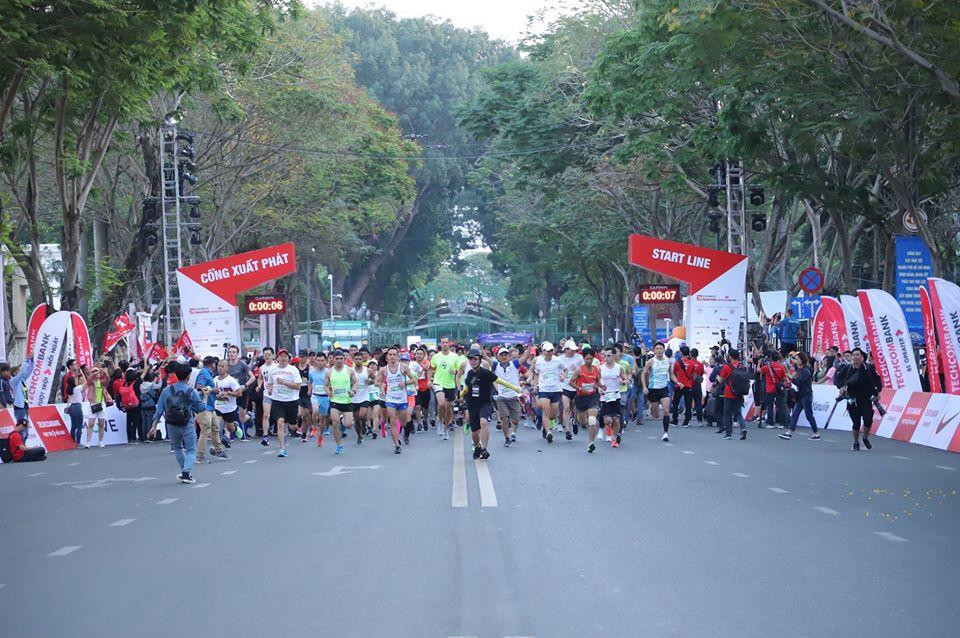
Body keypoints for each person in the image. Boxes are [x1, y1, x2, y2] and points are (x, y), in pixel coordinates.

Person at [460, 348, 522, 460]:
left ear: (479, 360)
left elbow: (501, 381)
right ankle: (478, 446)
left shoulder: (485, 372)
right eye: (471, 359)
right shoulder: (469, 374)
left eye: (475, 359)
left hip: (485, 403)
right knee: (474, 432)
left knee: (483, 422)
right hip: (472, 404)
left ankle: (484, 448)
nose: (473, 361)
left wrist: (515, 388)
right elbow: (467, 388)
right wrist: (460, 395)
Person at [152, 362, 207, 483]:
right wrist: (206, 397)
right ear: (188, 376)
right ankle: (186, 472)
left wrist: (154, 424)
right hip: (187, 423)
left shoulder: (167, 390)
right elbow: (201, 408)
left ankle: (185, 472)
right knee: (191, 449)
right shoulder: (192, 391)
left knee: (177, 448)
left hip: (171, 424)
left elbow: (160, 408)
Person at [835, 348, 883, 451]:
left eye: (858, 355)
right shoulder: (847, 368)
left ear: (862, 357)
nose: (855, 357)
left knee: (868, 419)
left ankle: (865, 438)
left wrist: (879, 391)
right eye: (854, 355)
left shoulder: (869, 367)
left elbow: (877, 380)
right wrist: (841, 387)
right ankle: (856, 442)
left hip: (866, 399)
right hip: (852, 400)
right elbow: (837, 379)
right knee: (856, 423)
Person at [265, 349, 300, 458]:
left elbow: (298, 386)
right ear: (277, 358)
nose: (283, 358)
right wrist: (270, 389)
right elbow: (269, 383)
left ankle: (294, 429)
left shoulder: (293, 370)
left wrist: (284, 382)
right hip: (278, 401)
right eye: (281, 356)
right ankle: (282, 449)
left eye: (285, 356)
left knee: (293, 426)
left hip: (291, 401)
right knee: (280, 422)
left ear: (288, 358)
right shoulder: (273, 370)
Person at [779, 352, 820, 441]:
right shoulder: (800, 369)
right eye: (796, 359)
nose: (796, 361)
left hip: (806, 396)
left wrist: (790, 377)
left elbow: (798, 382)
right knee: (795, 414)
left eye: (798, 359)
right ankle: (789, 433)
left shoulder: (806, 371)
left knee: (809, 415)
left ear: (802, 360)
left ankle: (816, 433)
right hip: (801, 396)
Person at [529, 341, 565, 443]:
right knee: (546, 410)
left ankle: (545, 426)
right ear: (543, 351)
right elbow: (536, 374)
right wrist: (535, 386)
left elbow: (565, 369)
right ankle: (548, 432)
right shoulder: (539, 361)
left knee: (553, 414)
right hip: (544, 389)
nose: (550, 353)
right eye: (547, 351)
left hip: (556, 389)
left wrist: (563, 376)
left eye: (551, 351)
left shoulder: (558, 360)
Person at [641, 342, 677, 442]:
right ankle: (653, 410)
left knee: (666, 411)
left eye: (661, 348)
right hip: (653, 390)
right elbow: (643, 374)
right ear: (655, 350)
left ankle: (665, 433)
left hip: (664, 388)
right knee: (656, 416)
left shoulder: (668, 362)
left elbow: (671, 374)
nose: (659, 350)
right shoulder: (651, 361)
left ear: (664, 350)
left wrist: (677, 381)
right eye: (657, 349)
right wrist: (644, 387)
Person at [324, 349, 357, 455]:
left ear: (344, 359)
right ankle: (339, 445)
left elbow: (356, 381)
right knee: (335, 423)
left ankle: (343, 419)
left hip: (347, 401)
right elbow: (325, 385)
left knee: (348, 425)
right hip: (335, 401)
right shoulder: (329, 372)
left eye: (341, 359)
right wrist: (328, 392)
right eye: (337, 358)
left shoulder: (349, 370)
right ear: (333, 359)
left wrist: (353, 390)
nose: (339, 360)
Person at [195, 356, 227, 463]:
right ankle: (200, 455)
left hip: (210, 406)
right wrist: (214, 390)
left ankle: (218, 450)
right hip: (204, 407)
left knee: (215, 428)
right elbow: (199, 387)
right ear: (213, 364)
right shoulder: (204, 373)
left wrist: (217, 395)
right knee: (206, 431)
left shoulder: (207, 374)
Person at [569, 348, 601, 452]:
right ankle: (574, 421)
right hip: (581, 398)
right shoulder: (579, 370)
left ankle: (591, 443)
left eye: (591, 359)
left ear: (593, 358)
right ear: (583, 359)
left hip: (592, 397)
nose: (589, 361)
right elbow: (571, 382)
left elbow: (597, 381)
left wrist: (601, 387)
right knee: (583, 423)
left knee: (592, 420)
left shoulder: (596, 369)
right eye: (587, 359)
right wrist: (579, 388)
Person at [598, 346, 630, 449]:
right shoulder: (600, 368)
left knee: (616, 420)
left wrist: (623, 381)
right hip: (605, 396)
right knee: (608, 420)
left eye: (608, 355)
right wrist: (599, 388)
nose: (606, 357)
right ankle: (608, 427)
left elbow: (626, 380)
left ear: (614, 356)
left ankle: (614, 439)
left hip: (616, 395)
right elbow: (596, 381)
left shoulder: (618, 367)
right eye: (604, 355)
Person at [492, 347, 524, 446]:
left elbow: (525, 356)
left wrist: (530, 344)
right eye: (501, 355)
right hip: (502, 397)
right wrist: (480, 345)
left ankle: (512, 426)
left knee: (515, 420)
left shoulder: (514, 364)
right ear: (498, 357)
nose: (504, 357)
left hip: (514, 396)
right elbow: (485, 357)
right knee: (504, 418)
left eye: (505, 355)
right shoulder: (496, 366)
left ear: (508, 356)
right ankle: (507, 438)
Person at [717, 349, 750, 440]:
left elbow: (720, 380)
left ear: (730, 357)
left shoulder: (727, 367)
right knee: (738, 413)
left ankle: (728, 433)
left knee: (727, 412)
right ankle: (743, 427)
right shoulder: (742, 367)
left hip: (729, 393)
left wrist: (717, 378)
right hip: (739, 393)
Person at [430, 339, 460, 440]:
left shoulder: (455, 356)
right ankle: (439, 422)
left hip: (450, 384)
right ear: (440, 344)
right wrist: (429, 380)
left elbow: (459, 371)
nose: (445, 344)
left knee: (448, 409)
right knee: (441, 404)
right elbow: (431, 369)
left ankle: (446, 428)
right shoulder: (436, 356)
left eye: (447, 342)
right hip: (438, 382)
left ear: (449, 344)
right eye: (443, 342)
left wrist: (455, 371)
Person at [558, 340, 584, 437]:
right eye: (570, 349)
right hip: (564, 386)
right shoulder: (560, 359)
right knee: (567, 407)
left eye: (574, 350)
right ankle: (567, 430)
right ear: (566, 349)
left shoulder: (579, 358)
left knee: (575, 408)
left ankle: (574, 421)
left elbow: (583, 370)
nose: (573, 351)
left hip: (576, 386)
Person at [83, 367, 113, 448]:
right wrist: (96, 372)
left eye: (97, 372)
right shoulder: (91, 383)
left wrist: (104, 372)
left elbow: (108, 379)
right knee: (91, 423)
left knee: (101, 424)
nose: (96, 374)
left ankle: (100, 442)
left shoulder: (101, 382)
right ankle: (88, 442)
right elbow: (89, 379)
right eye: (94, 372)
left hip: (101, 404)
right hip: (93, 404)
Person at [0, 357, 35, 423]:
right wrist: (27, 359)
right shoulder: (13, 381)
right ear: (14, 373)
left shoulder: (21, 380)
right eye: (18, 371)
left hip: (25, 406)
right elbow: (22, 372)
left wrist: (32, 361)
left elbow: (29, 371)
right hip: (19, 407)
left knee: (26, 428)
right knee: (22, 428)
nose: (19, 372)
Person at [759, 352, 788, 429]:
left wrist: (759, 363)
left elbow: (759, 370)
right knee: (781, 405)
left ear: (771, 358)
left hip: (770, 389)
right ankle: (782, 423)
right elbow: (784, 378)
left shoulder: (767, 367)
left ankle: (771, 423)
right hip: (779, 388)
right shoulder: (782, 367)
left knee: (770, 405)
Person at [670, 345, 697, 428]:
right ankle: (686, 422)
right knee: (688, 404)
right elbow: (693, 375)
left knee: (675, 403)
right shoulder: (692, 363)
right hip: (688, 386)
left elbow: (673, 373)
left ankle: (675, 421)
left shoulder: (677, 363)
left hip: (679, 385)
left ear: (681, 353)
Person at [308, 353, 330, 447]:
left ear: (326, 361)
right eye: (318, 360)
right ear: (315, 361)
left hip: (325, 397)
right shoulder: (312, 372)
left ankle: (320, 436)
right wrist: (309, 390)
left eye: (322, 361)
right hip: (315, 395)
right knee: (315, 410)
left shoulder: (329, 372)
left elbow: (332, 383)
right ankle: (314, 427)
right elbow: (310, 382)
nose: (320, 362)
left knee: (322, 418)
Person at [64, 362, 86, 445]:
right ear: (73, 381)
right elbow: (86, 382)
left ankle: (72, 442)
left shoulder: (69, 390)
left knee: (73, 426)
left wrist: (76, 375)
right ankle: (78, 442)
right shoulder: (78, 388)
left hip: (71, 408)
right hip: (77, 407)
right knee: (79, 426)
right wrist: (81, 373)